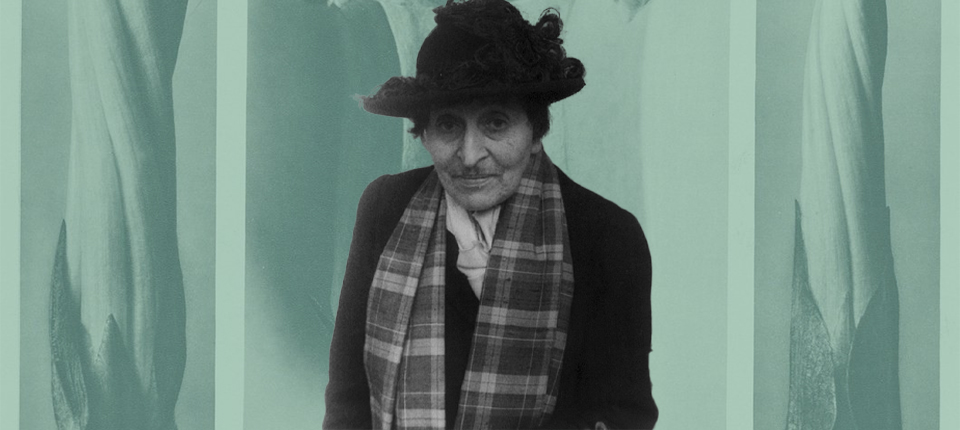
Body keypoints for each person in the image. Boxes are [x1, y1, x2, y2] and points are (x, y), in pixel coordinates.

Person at [323, 1, 657, 429]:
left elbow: (625, 413)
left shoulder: (607, 235)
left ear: (535, 131)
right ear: (423, 133)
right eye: (448, 125)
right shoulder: (384, 208)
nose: (469, 155)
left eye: (495, 123)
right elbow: (348, 399)